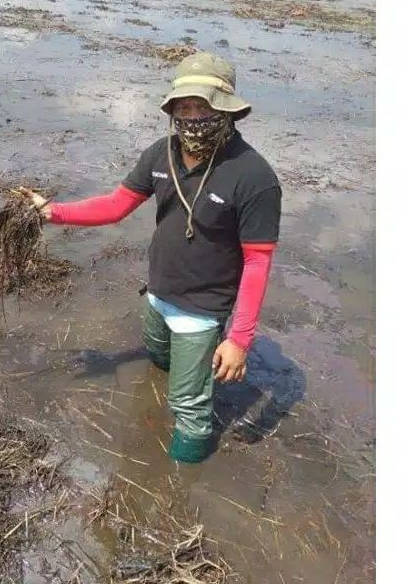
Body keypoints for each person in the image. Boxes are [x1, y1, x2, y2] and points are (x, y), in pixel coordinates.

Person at [20, 52, 281, 463]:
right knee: (157, 354)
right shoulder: (161, 154)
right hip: (158, 294)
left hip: (202, 308)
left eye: (203, 106)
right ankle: (176, 387)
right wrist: (53, 212)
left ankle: (183, 472)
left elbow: (257, 263)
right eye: (184, 106)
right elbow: (115, 205)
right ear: (173, 108)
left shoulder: (254, 177)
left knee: (189, 406)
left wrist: (239, 341)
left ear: (227, 110)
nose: (192, 116)